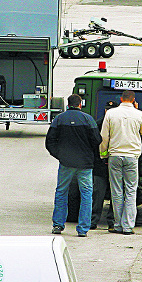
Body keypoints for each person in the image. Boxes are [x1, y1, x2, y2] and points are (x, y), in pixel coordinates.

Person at [46, 93, 102, 237]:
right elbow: (97, 140)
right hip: (85, 165)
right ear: (80, 104)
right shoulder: (88, 119)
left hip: (66, 163)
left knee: (61, 192)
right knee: (86, 195)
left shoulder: (59, 119)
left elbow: (49, 142)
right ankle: (83, 228)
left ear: (68, 105)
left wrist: (60, 155)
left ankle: (58, 225)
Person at [100, 90, 142, 235]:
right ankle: (128, 226)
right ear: (133, 100)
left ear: (121, 99)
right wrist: (136, 109)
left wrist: (103, 153)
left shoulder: (110, 114)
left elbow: (104, 136)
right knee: (130, 191)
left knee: (116, 191)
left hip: (115, 156)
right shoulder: (139, 114)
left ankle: (117, 224)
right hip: (131, 157)